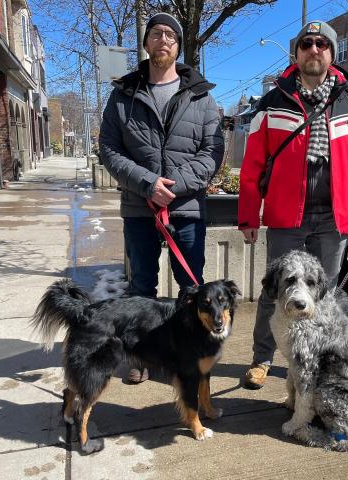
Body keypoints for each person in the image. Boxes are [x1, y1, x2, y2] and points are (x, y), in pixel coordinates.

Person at [238, 20, 348, 389]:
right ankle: (262, 359)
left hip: (335, 219)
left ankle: (310, 361)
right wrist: (248, 215)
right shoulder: (273, 101)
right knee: (275, 291)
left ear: (332, 53)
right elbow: (252, 165)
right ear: (297, 53)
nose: (314, 49)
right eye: (306, 44)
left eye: (321, 44)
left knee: (323, 297)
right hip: (287, 216)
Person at [100, 12, 224, 384]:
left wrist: (176, 186)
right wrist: (147, 183)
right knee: (140, 286)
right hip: (139, 209)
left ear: (178, 45)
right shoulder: (123, 94)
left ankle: (190, 356)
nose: (164, 40)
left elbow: (213, 151)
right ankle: (138, 355)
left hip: (185, 211)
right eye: (156, 33)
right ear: (147, 43)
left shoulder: (201, 97)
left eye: (171, 35)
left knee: (191, 287)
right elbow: (109, 149)